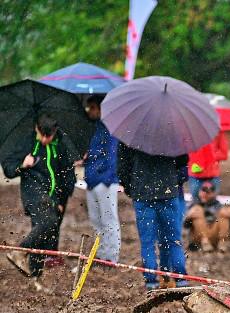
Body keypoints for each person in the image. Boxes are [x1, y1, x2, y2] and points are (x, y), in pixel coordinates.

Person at [3, 113, 76, 277]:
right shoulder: (25, 142)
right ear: (36, 128)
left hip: (53, 196)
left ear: (55, 131)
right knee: (48, 221)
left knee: (45, 232)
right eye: (41, 135)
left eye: (48, 136)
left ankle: (35, 276)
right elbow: (8, 167)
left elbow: (65, 174)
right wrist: (22, 165)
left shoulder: (61, 145)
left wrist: (61, 198)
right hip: (33, 192)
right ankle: (19, 252)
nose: (44, 139)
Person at [117, 142, 189, 290]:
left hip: (142, 192)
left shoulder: (131, 135)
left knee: (147, 242)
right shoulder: (172, 132)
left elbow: (122, 164)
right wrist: (175, 180)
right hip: (168, 190)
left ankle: (151, 281)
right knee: (173, 239)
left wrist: (130, 187)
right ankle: (179, 277)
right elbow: (183, 160)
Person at [83, 95, 121, 265]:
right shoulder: (93, 128)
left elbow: (112, 156)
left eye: (92, 107)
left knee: (109, 220)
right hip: (92, 180)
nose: (89, 111)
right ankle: (100, 254)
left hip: (104, 181)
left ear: (99, 108)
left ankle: (111, 257)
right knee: (96, 220)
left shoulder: (110, 128)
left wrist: (105, 179)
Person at [184, 180, 230, 253]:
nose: (205, 193)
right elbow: (185, 226)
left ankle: (222, 242)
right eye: (203, 190)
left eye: (209, 191)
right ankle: (205, 241)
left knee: (224, 212)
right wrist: (188, 216)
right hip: (199, 237)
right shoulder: (193, 204)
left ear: (213, 193)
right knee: (197, 210)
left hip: (215, 235)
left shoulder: (218, 205)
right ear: (199, 191)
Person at [187, 131, 229, 196]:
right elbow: (184, 150)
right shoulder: (189, 130)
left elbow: (224, 154)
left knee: (212, 203)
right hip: (195, 174)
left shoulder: (218, 131)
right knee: (196, 203)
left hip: (212, 175)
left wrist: (210, 156)